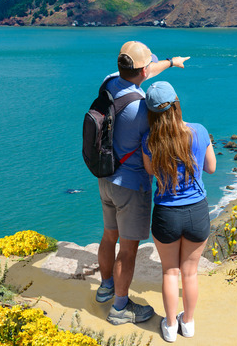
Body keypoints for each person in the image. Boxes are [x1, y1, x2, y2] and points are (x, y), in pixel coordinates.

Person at [96, 41, 190, 326]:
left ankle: (105, 288)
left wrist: (172, 62)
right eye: (149, 64)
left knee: (108, 235)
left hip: (106, 176)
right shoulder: (143, 109)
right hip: (131, 185)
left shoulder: (109, 83)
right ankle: (120, 308)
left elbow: (145, 73)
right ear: (143, 69)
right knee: (128, 249)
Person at [141, 81, 216, 342]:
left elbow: (150, 171)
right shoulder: (199, 131)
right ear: (176, 104)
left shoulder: (149, 140)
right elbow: (212, 167)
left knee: (170, 272)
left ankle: (170, 326)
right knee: (190, 273)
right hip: (197, 211)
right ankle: (189, 322)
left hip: (166, 214)